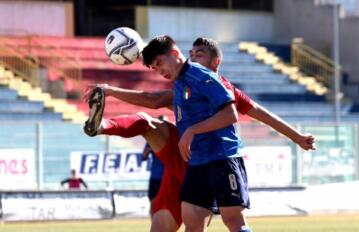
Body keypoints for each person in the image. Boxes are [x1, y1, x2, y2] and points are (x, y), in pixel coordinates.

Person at [84, 37, 316, 232]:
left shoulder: (207, 79)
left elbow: (244, 114)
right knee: (190, 224)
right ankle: (103, 125)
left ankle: (104, 125)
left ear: (216, 62)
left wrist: (296, 137)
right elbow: (152, 100)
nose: (193, 57)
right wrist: (111, 90)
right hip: (193, 162)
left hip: (221, 158)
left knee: (233, 220)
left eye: (200, 53)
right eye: (192, 52)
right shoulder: (179, 81)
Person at [84, 87, 187, 232]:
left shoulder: (208, 84)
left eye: (158, 63)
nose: (156, 68)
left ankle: (103, 126)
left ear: (216, 62)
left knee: (146, 122)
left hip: (201, 162)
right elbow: (157, 100)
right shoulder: (189, 81)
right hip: (178, 162)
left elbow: (155, 100)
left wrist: (110, 90)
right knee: (146, 123)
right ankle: (100, 126)